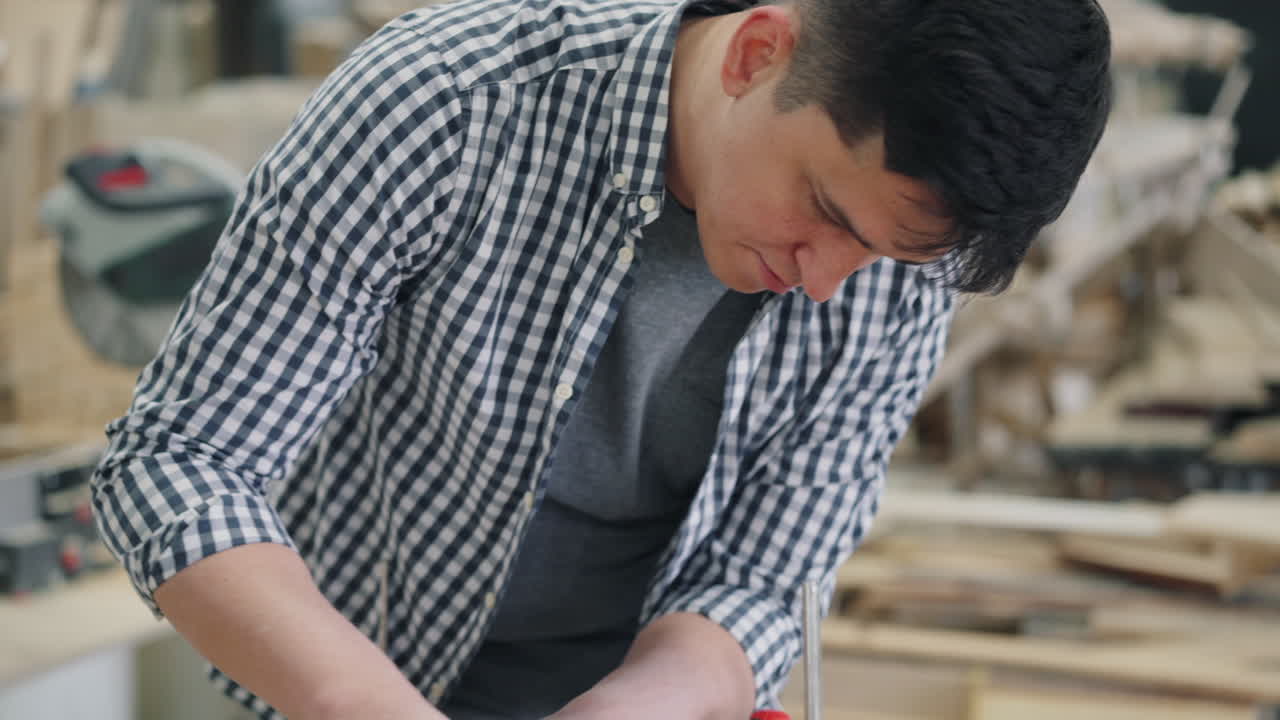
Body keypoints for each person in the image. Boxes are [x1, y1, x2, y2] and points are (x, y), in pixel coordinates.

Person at [90, 0, 1111, 717]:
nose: (827, 283)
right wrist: (357, 702)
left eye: (880, 254)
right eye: (823, 212)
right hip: (335, 685)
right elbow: (182, 459)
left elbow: (766, 578)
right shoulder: (445, 105)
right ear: (757, 52)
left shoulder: (894, 266)